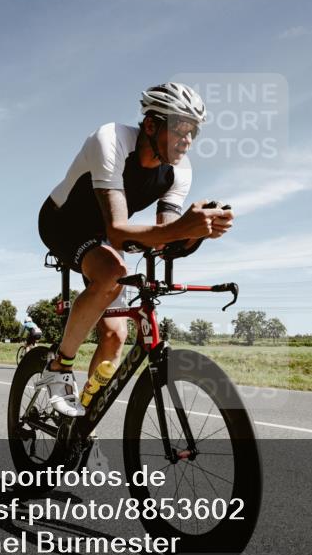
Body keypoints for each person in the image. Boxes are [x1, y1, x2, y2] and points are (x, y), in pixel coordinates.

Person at [36, 82, 233, 416]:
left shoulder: (179, 171)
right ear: (152, 124)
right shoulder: (111, 140)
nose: (187, 140)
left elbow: (163, 239)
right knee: (113, 271)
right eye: (180, 129)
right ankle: (58, 368)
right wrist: (181, 227)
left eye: (193, 132)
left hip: (109, 234)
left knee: (115, 335)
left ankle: (82, 420)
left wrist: (197, 233)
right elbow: (117, 230)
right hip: (64, 222)